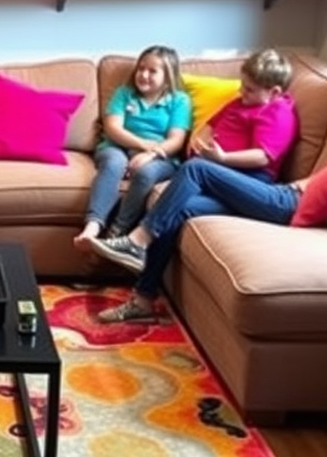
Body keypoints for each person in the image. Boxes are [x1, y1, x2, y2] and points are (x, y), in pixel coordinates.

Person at [87, 47, 300, 321]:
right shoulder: (241, 104)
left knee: (196, 169)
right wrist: (202, 141)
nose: (241, 94)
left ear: (274, 91)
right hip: (222, 179)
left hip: (252, 184)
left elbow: (263, 156)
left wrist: (221, 157)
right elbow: (211, 125)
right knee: (175, 212)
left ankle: (137, 239)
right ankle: (142, 299)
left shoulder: (278, 112)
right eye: (242, 87)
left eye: (249, 90)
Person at [73, 44, 191, 251]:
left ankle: (117, 232)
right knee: (113, 163)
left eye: (152, 71)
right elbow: (112, 128)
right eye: (141, 68)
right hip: (117, 147)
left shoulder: (179, 100)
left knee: (146, 173)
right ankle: (93, 226)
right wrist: (142, 145)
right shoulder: (125, 93)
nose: (143, 75)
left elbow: (176, 140)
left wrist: (151, 154)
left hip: (161, 156)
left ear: (168, 76)